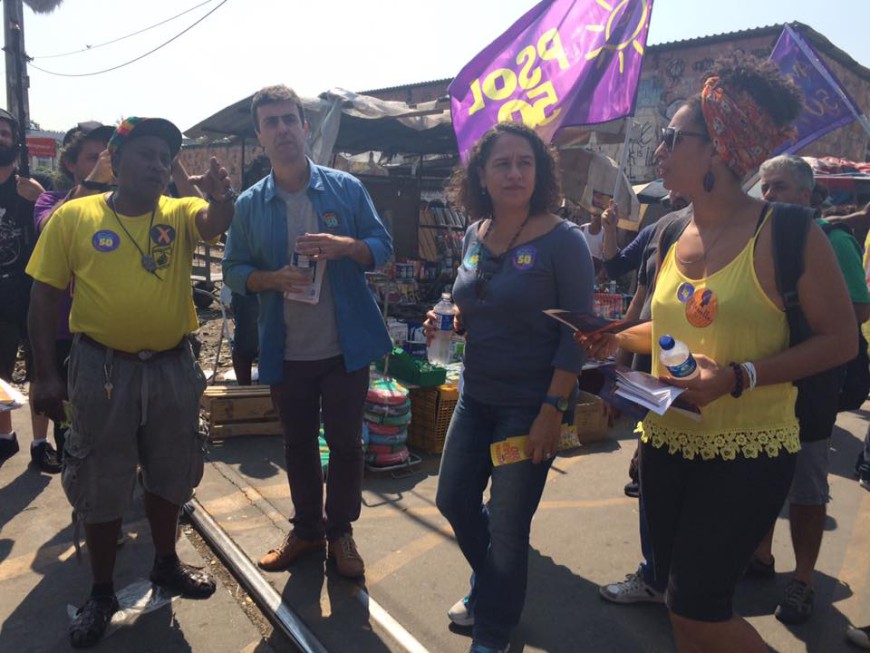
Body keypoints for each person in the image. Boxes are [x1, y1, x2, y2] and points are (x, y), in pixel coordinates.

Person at [579, 53, 856, 653]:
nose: (660, 150)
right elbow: (666, 327)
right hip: (667, 443)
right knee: (681, 609)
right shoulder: (673, 230)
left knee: (700, 610)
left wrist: (740, 376)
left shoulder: (790, 232)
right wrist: (616, 338)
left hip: (748, 452)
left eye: (673, 138)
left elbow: (841, 341)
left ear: (717, 149)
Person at [26, 116, 235, 648]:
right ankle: (101, 592)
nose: (158, 164)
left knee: (170, 471)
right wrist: (46, 377)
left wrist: (223, 202)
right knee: (100, 478)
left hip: (171, 367)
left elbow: (210, 222)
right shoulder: (73, 217)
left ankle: (166, 563)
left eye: (165, 157)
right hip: (102, 370)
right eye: (145, 153)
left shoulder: (178, 212)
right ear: (115, 164)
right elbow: (43, 299)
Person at [428, 121, 594, 653]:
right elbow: (476, 304)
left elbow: (578, 335)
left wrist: (552, 409)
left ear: (540, 170)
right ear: (481, 173)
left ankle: (494, 632)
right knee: (452, 498)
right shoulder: (475, 233)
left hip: (529, 407)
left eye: (525, 162)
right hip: (476, 396)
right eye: (502, 163)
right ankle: (494, 586)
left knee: (508, 523)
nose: (515, 172)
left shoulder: (563, 241)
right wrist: (448, 320)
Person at [223, 85, 392, 579]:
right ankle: (306, 531)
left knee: (345, 446)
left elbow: (383, 247)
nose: (281, 130)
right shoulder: (251, 205)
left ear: (304, 126)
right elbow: (233, 268)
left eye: (289, 119)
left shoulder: (344, 189)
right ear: (260, 136)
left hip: (345, 347)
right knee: (297, 446)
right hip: (287, 350)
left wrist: (347, 246)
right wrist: (267, 280)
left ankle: (341, 533)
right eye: (270, 122)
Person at [747, 154, 870, 624]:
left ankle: (802, 580)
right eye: (766, 187)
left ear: (806, 194)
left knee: (806, 487)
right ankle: (760, 555)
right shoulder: (761, 237)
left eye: (780, 187)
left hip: (810, 384)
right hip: (765, 379)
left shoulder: (829, 240)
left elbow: (857, 310)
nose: (770, 195)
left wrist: (801, 318)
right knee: (761, 476)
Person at [31, 121, 115, 463]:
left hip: (117, 336)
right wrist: (93, 182)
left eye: (106, 158)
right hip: (69, 337)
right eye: (92, 158)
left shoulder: (124, 207)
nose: (103, 165)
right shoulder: (50, 200)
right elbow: (51, 226)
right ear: (70, 164)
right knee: (74, 434)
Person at [0, 107, 54, 470]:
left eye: (4, 133)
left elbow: (58, 234)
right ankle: (5, 437)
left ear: (15, 142)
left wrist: (40, 201)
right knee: (0, 375)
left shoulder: (31, 187)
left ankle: (40, 442)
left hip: (34, 296)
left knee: (39, 372)